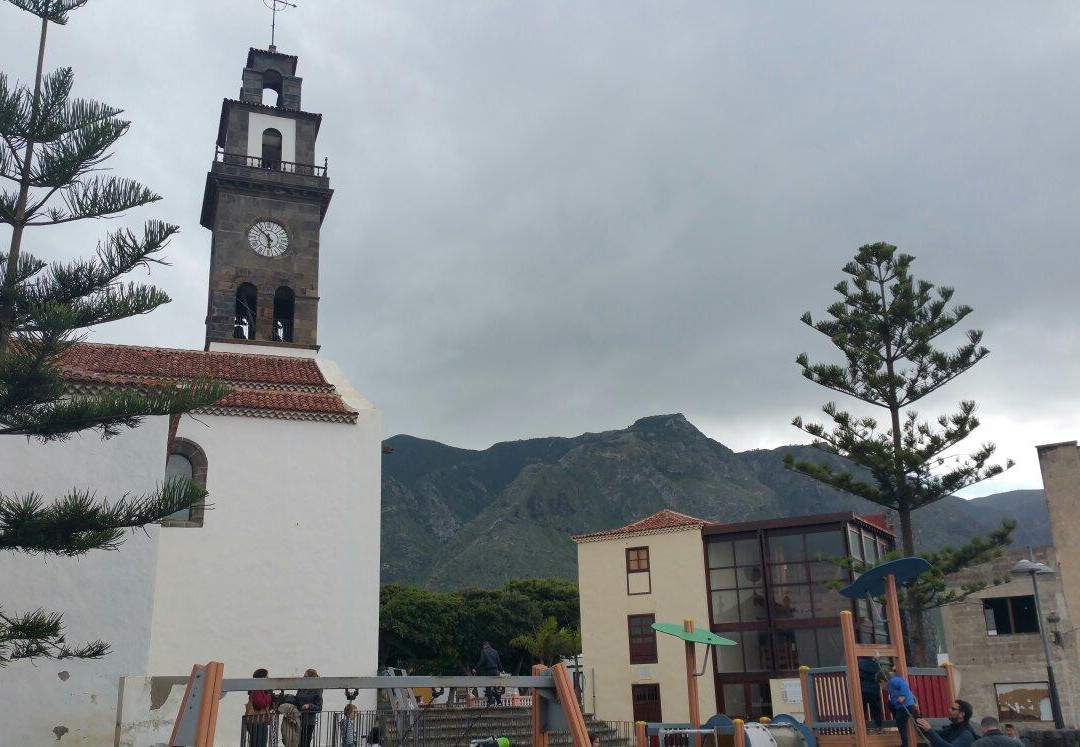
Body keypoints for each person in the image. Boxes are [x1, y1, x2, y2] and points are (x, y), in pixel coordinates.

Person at [886, 669, 918, 747]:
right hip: (901, 706)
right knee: (889, 703)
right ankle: (898, 717)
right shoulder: (890, 685)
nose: (881, 687)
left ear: (882, 681)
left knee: (901, 726)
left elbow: (904, 684)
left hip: (906, 705)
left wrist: (903, 695)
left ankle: (905, 745)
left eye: (881, 685)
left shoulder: (893, 681)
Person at [244, 668, 273, 747]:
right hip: (257, 720)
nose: (269, 678)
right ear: (262, 678)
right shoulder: (257, 690)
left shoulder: (261, 690)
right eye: (267, 676)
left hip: (259, 720)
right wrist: (269, 696)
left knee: (258, 743)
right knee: (259, 743)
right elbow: (260, 703)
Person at [296, 668, 323, 747]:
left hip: (308, 721)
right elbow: (297, 698)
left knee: (304, 743)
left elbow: (319, 707)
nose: (303, 678)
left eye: (306, 676)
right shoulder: (301, 688)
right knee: (296, 743)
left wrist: (309, 706)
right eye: (304, 676)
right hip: (297, 719)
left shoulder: (317, 690)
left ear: (311, 678)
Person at [858, 657, 885, 732]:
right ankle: (879, 726)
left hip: (862, 689)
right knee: (875, 709)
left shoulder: (858, 662)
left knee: (861, 710)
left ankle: (861, 728)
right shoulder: (875, 664)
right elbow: (879, 672)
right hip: (873, 689)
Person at [474, 642, 503, 707]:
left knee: (488, 687)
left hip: (489, 671)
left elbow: (481, 661)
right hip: (496, 671)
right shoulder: (495, 651)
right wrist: (502, 670)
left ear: (484, 646)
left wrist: (475, 668)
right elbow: (498, 662)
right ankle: (499, 702)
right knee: (496, 687)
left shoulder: (484, 651)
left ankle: (491, 702)